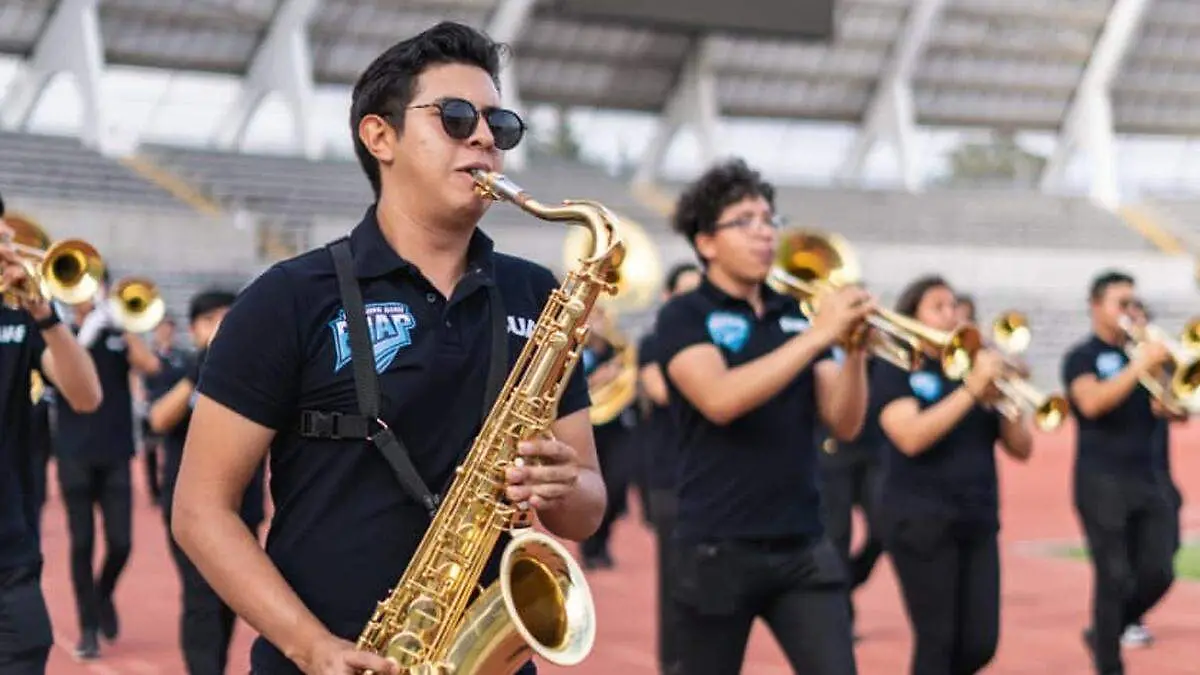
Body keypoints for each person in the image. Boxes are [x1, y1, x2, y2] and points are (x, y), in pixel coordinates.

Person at [170, 21, 606, 675]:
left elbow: (587, 508)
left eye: (502, 124)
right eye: (456, 117)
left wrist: (565, 484)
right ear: (381, 136)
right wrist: (309, 644)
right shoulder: (288, 296)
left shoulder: (536, 292)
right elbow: (200, 509)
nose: (485, 137)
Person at [655, 158, 873, 675]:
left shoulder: (792, 313)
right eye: (745, 221)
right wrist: (820, 335)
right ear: (706, 242)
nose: (765, 233)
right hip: (716, 546)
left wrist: (856, 351)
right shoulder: (685, 315)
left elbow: (844, 423)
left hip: (802, 542)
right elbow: (720, 399)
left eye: (769, 219)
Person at [872, 275, 1034, 675]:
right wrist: (972, 391)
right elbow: (909, 437)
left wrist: (1009, 396)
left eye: (955, 307)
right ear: (914, 316)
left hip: (976, 518)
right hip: (919, 519)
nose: (952, 315)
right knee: (938, 641)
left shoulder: (975, 369)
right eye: (939, 307)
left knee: (980, 643)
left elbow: (1022, 448)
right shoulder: (898, 366)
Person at [1, 192, 104, 674]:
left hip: (10, 549)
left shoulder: (21, 315)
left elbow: (86, 397)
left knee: (27, 648)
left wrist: (45, 314)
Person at [1061, 271, 1180, 675]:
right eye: (1120, 303)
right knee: (1112, 574)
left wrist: (1164, 375)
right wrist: (1137, 366)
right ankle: (1110, 664)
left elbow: (1173, 409)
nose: (1130, 311)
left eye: (1133, 302)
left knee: (1160, 571)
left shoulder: (1144, 353)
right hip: (1101, 481)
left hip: (1148, 477)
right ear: (1097, 307)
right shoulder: (1082, 356)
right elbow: (1092, 402)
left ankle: (1104, 632)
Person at [146, 289, 265, 675]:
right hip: (191, 505)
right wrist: (202, 370)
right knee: (200, 597)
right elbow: (158, 419)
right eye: (210, 321)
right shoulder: (180, 366)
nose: (219, 329)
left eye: (228, 320)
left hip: (243, 504)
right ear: (194, 329)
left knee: (230, 598)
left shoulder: (256, 373)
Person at [55, 269, 163, 659]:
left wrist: (122, 324)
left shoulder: (117, 330)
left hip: (116, 450)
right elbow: (59, 372)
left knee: (121, 542)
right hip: (73, 451)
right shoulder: (59, 329)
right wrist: (81, 331)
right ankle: (87, 628)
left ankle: (102, 596)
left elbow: (150, 366)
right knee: (82, 543)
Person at [635, 260, 702, 674]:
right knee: (675, 580)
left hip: (713, 481)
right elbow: (661, 391)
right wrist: (716, 385)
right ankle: (672, 664)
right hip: (669, 479)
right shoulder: (654, 341)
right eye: (685, 292)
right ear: (667, 297)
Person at [1112, 298, 1184, 650]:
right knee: (1130, 553)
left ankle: (1124, 615)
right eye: (1129, 312)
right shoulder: (1105, 359)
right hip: (1118, 475)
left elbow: (1180, 407)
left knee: (1165, 555)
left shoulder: (1157, 359)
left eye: (1141, 313)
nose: (1135, 320)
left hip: (1158, 471)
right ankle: (1123, 619)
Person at [578, 303, 637, 569]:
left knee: (616, 487)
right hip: (585, 426)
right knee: (588, 488)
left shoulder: (616, 350)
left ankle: (603, 541)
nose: (597, 322)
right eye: (592, 315)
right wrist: (596, 380)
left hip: (617, 426)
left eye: (601, 315)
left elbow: (629, 379)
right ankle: (591, 548)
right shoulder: (574, 350)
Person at [140, 315, 187, 508]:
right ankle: (154, 490)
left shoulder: (181, 356)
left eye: (168, 327)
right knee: (150, 450)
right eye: (161, 327)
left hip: (174, 410)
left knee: (174, 451)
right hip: (152, 408)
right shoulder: (148, 355)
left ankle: (174, 487)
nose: (165, 331)